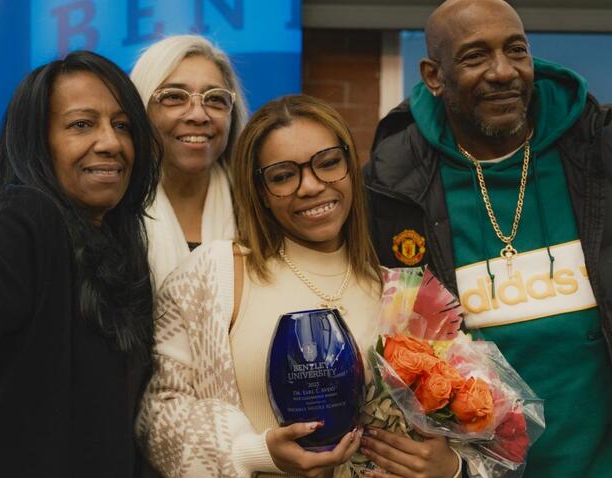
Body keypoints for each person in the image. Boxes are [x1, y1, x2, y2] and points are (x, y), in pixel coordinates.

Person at [364, 1, 612, 477]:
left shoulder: (605, 148)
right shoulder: (396, 185)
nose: (502, 72)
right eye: (475, 57)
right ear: (434, 75)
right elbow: (388, 351)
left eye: (516, 50)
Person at [135, 95, 462, 478]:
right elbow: (158, 414)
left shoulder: (399, 292)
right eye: (283, 175)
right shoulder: (213, 274)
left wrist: (451, 467)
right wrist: (254, 453)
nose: (310, 186)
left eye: (328, 164)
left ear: (350, 169)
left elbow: (451, 416)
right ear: (259, 192)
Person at [0, 50, 160, 477]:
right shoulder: (26, 216)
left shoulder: (121, 245)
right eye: (82, 125)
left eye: (122, 125)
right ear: (37, 143)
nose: (111, 143)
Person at [130, 35, 248, 289]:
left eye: (215, 98)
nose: (198, 114)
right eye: (174, 96)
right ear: (140, 109)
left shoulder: (257, 209)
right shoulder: (115, 213)